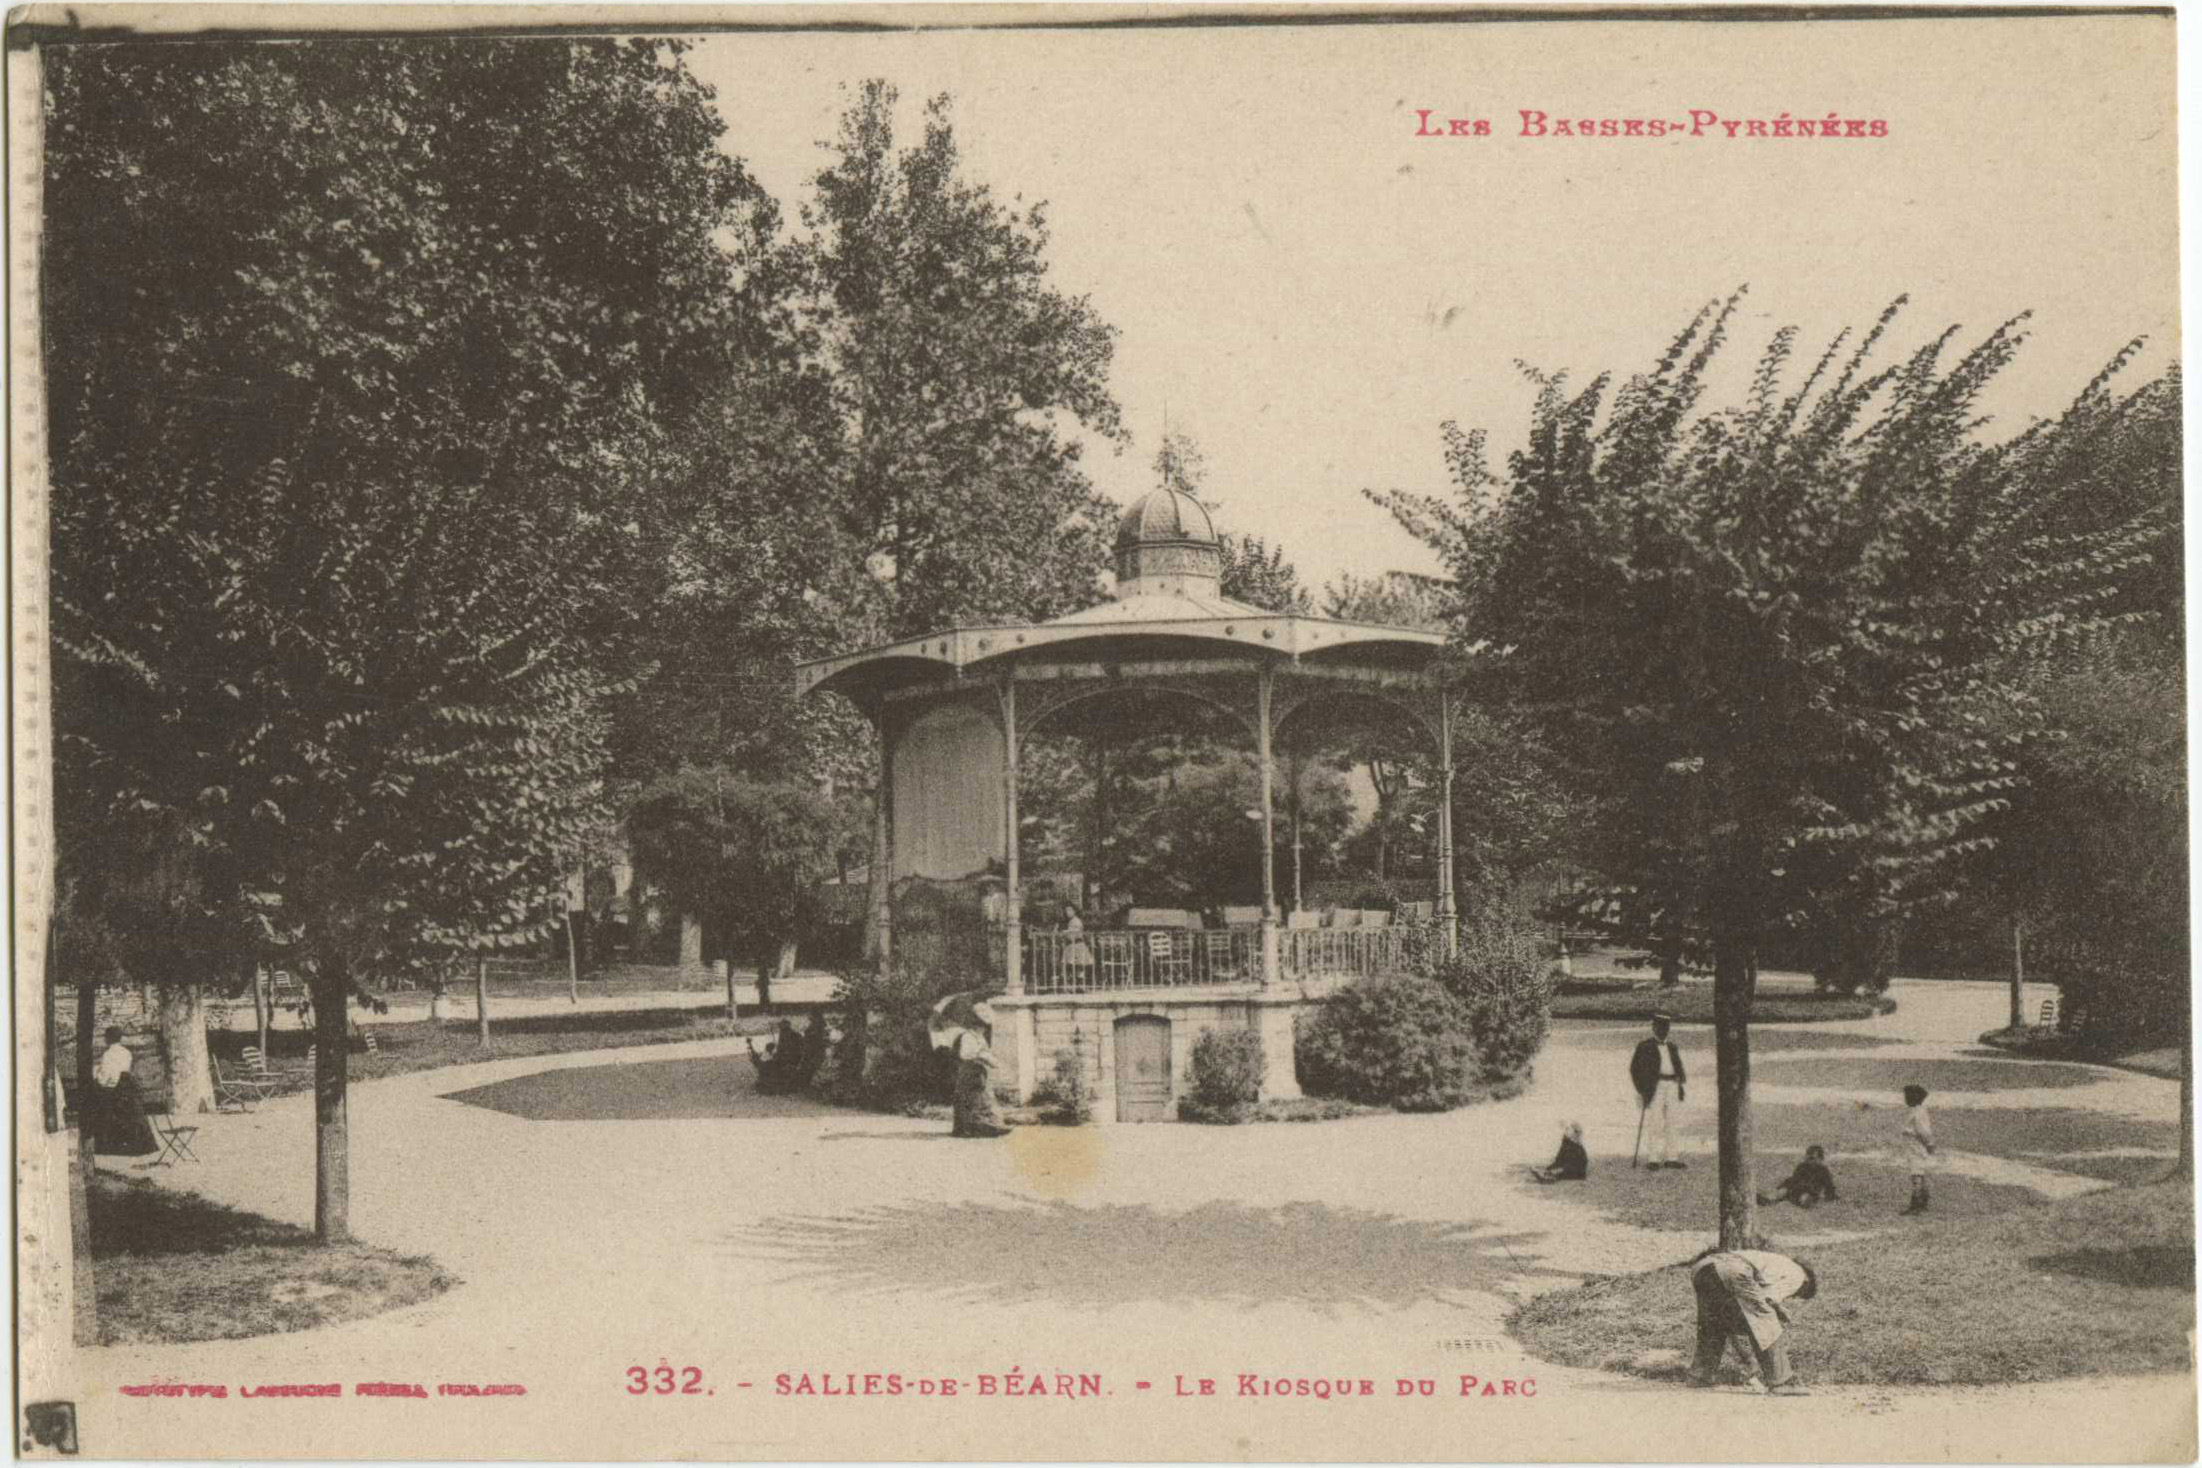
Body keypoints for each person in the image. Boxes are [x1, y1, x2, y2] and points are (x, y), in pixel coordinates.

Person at [1688, 1248, 1817, 1394]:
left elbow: (1754, 1297)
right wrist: (1779, 1312)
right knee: (1766, 1320)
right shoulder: (1798, 1276)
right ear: (1807, 1282)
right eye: (1799, 1294)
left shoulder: (1776, 1262)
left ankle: (1700, 1376)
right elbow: (1767, 1300)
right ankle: (1782, 1381)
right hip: (1733, 1269)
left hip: (1702, 1267)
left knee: (1714, 1321)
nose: (1792, 1297)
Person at [1628, 1013, 1687, 1169]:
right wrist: (1642, 1089)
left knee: (1673, 1121)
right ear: (1654, 1028)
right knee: (1655, 1121)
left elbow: (1678, 1065)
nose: (1664, 1031)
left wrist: (1681, 1079)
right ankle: (1653, 1159)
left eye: (1666, 1027)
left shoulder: (1672, 1047)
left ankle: (1671, 1157)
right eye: (1660, 1027)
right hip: (1656, 1086)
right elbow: (1635, 1069)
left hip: (1673, 1085)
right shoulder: (1644, 1046)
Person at [90, 1027, 158, 1157]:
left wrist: (98, 1077)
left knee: (102, 1106)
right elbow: (123, 1070)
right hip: (127, 1087)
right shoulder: (126, 1052)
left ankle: (110, 1146)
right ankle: (137, 1146)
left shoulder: (108, 1054)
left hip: (115, 1088)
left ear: (107, 1039)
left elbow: (107, 1076)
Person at [950, 1032, 1010, 1139]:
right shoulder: (967, 1036)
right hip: (969, 1070)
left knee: (981, 1098)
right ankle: (968, 1128)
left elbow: (986, 1055)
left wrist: (985, 1056)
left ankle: (983, 1126)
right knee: (970, 1098)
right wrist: (979, 1054)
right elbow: (965, 1054)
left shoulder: (978, 1036)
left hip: (977, 1069)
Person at [1758, 1144, 1839, 1209]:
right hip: (1795, 1189)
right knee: (1782, 1192)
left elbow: (1829, 1187)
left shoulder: (1823, 1171)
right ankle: (1768, 1199)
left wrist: (1830, 1197)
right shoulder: (1802, 1166)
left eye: (1812, 1158)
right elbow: (1793, 1179)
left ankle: (1790, 1199)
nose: (1809, 1161)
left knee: (1805, 1200)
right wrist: (1785, 1188)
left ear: (1821, 1159)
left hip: (1810, 1192)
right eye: (1807, 1158)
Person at [1900, 1083, 1936, 1214]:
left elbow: (1924, 1131)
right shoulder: (1917, 1111)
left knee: (1917, 1173)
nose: (1905, 1099)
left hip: (1916, 1146)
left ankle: (1917, 1204)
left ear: (1914, 1098)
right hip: (1914, 1145)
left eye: (1907, 1096)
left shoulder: (1919, 1113)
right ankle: (1922, 1202)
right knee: (1920, 1172)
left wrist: (1929, 1144)